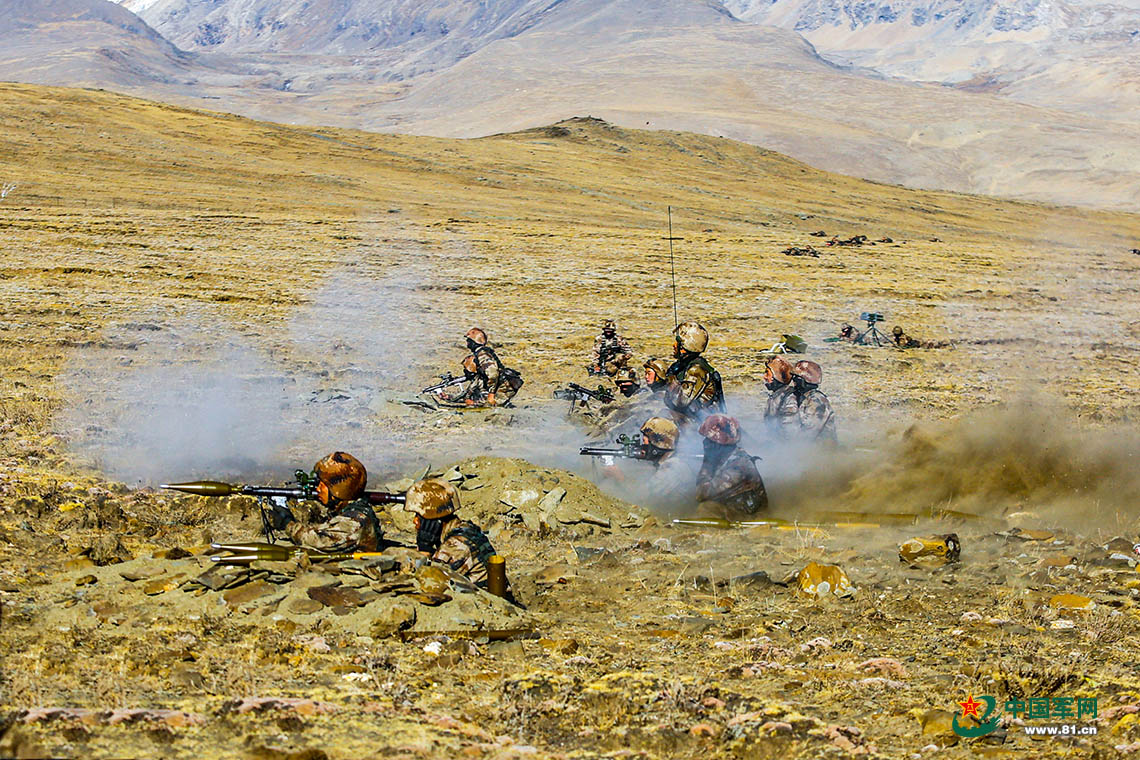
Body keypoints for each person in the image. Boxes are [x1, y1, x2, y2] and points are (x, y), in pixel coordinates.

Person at [269, 452, 384, 553]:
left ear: (337, 490)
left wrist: (287, 523)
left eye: (322, 485)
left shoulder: (355, 522)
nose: (318, 489)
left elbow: (318, 541)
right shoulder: (352, 510)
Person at [404, 478, 501, 589]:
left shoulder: (455, 546)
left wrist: (424, 549)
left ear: (434, 520)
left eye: (419, 516)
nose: (415, 521)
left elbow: (429, 581)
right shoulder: (464, 528)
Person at [695, 414, 768, 519]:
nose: (705, 443)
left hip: (751, 517)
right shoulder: (726, 459)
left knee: (706, 508)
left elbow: (702, 494)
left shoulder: (738, 465)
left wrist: (707, 465)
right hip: (737, 508)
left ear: (719, 445)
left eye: (709, 441)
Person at [437, 327, 523, 407]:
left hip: (503, 388)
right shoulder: (480, 354)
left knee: (486, 406)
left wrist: (491, 395)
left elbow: (493, 374)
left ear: (474, 342)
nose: (467, 342)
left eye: (469, 340)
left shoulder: (482, 355)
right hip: (499, 386)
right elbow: (468, 393)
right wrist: (449, 397)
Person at [663, 322, 725, 427]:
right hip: (695, 419)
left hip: (705, 424)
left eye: (678, 342)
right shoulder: (683, 366)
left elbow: (680, 402)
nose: (674, 345)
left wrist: (670, 380)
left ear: (686, 345)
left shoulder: (696, 370)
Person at [637, 416, 698, 510]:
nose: (643, 445)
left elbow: (641, 496)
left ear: (659, 442)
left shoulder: (673, 467)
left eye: (645, 441)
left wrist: (618, 476)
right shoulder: (669, 462)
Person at [791, 360, 837, 443]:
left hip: (821, 448)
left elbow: (808, 434)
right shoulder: (803, 398)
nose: (793, 381)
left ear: (805, 380)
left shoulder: (816, 400)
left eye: (796, 378)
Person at [762, 356, 799, 439]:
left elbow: (790, 434)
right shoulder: (776, 396)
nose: (764, 377)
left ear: (777, 376)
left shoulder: (789, 398)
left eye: (767, 373)